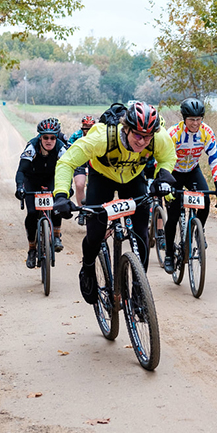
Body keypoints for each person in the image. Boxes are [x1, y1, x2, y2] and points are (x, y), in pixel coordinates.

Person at [51, 102, 176, 304]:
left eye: (147, 137)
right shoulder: (102, 136)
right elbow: (67, 162)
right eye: (137, 134)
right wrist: (60, 195)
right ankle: (89, 268)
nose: (142, 141)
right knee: (95, 233)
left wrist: (163, 176)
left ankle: (138, 289)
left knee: (142, 233)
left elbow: (168, 156)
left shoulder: (158, 137)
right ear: (125, 128)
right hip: (102, 177)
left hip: (134, 179)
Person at [162, 98, 217, 274]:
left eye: (199, 119)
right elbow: (163, 160)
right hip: (173, 172)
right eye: (191, 120)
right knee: (173, 216)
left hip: (191, 170)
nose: (196, 123)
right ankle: (168, 254)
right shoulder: (173, 133)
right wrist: (166, 185)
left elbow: (214, 158)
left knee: (205, 201)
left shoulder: (206, 132)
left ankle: (198, 231)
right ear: (184, 118)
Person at [14, 118, 68, 269]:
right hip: (32, 180)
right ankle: (32, 249)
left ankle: (56, 236)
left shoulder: (61, 148)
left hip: (52, 178)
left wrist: (67, 187)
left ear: (56, 137)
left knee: (57, 203)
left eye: (52, 137)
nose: (49, 140)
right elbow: (21, 170)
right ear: (40, 137)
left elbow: (68, 169)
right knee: (32, 213)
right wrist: (19, 187)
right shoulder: (32, 146)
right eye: (45, 137)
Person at [68, 115, 96, 204]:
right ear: (82, 126)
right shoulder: (76, 135)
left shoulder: (97, 136)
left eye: (90, 127)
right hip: (80, 162)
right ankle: (81, 209)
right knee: (79, 185)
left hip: (93, 162)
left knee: (93, 186)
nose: (87, 130)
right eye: (85, 127)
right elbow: (68, 148)